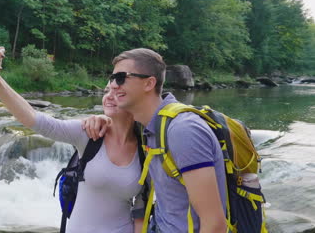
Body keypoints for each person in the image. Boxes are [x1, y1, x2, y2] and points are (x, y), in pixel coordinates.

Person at [0, 47, 145, 233]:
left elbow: (141, 210)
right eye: (107, 91)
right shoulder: (90, 134)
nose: (109, 96)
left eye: (118, 92)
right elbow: (35, 119)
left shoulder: (146, 146)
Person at [85, 48, 228, 233]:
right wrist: (98, 120)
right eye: (112, 78)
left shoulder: (183, 130)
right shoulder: (150, 126)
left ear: (149, 83)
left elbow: (215, 224)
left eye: (121, 77)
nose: (113, 85)